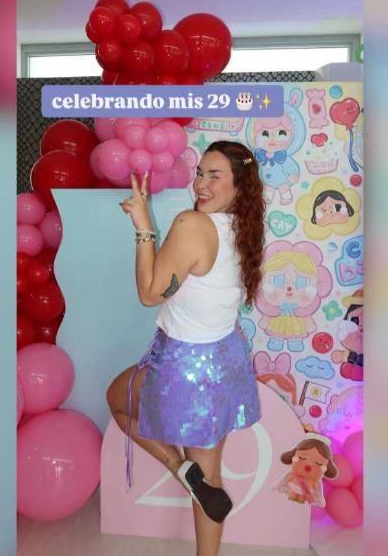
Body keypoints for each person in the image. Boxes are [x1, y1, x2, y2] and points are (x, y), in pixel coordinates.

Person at [106, 140, 265, 556]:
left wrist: (143, 224)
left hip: (186, 366)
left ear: (239, 186)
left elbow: (149, 293)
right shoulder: (243, 227)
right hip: (225, 359)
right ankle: (193, 484)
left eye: (215, 175)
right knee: (210, 478)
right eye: (199, 173)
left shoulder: (193, 225)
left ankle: (181, 468)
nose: (201, 184)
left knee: (118, 401)